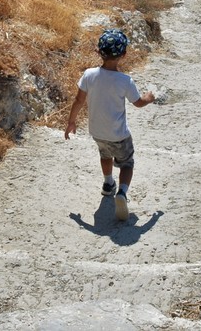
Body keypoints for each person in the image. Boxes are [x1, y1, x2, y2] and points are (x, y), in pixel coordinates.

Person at [64, 29, 155, 221]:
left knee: (104, 155)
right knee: (127, 163)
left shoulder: (89, 75)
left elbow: (78, 100)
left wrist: (71, 122)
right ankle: (121, 193)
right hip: (119, 135)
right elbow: (137, 103)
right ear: (124, 55)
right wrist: (148, 98)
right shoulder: (125, 81)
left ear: (98, 52)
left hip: (97, 132)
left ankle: (108, 184)